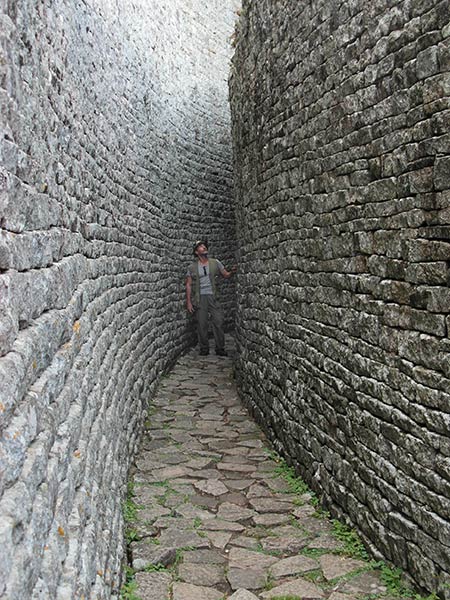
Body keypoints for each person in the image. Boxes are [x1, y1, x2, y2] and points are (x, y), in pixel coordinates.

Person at [186, 240, 236, 356]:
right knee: (202, 324)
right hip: (200, 298)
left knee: (218, 321)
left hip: (213, 296)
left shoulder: (215, 262)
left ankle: (220, 348)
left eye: (204, 246)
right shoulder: (192, 267)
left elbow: (225, 274)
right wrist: (189, 302)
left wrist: (232, 272)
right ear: (196, 252)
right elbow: (188, 284)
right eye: (201, 247)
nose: (204, 248)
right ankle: (204, 348)